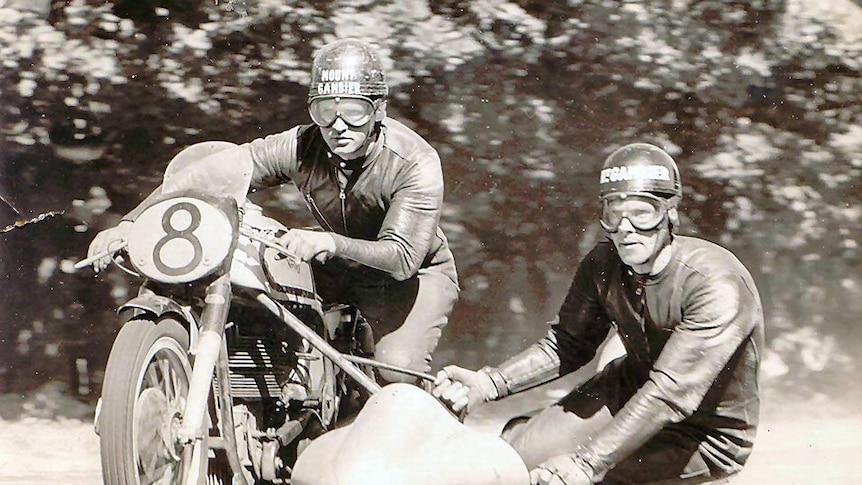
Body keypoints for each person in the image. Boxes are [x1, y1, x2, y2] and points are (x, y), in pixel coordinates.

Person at [87, 38, 459, 385]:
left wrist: (328, 241)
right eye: (324, 110)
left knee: (397, 372)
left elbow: (402, 257)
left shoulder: (415, 161)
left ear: (379, 111)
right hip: (335, 264)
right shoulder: (302, 144)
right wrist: (131, 223)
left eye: (354, 110)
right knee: (263, 313)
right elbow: (213, 171)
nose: (337, 125)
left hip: (411, 278)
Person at [433, 143, 763, 485]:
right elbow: (566, 344)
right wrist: (488, 384)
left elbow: (669, 394)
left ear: (670, 213)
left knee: (564, 479)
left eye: (642, 212)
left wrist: (586, 464)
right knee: (512, 456)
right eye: (613, 212)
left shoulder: (716, 283)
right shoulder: (603, 263)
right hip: (627, 393)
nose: (625, 227)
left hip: (702, 433)